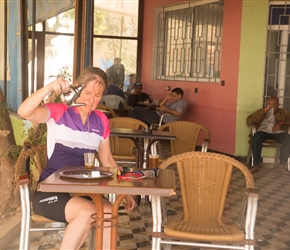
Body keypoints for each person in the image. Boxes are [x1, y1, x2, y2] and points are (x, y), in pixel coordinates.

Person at [17, 67, 135, 249]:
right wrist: (50, 87)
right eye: (87, 92)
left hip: (83, 191)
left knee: (109, 211)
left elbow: (108, 161)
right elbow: (24, 112)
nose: (91, 99)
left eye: (97, 95)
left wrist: (125, 189)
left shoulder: (101, 120)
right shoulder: (59, 112)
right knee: (87, 212)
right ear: (76, 88)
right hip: (50, 192)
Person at [249, 96, 290, 174]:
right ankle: (256, 164)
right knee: (256, 137)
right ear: (266, 104)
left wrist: (281, 123)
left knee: (288, 139)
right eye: (269, 104)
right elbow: (251, 120)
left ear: (278, 105)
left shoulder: (284, 112)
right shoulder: (262, 111)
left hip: (278, 132)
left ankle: (281, 165)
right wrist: (265, 110)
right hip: (264, 131)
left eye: (274, 105)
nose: (271, 107)